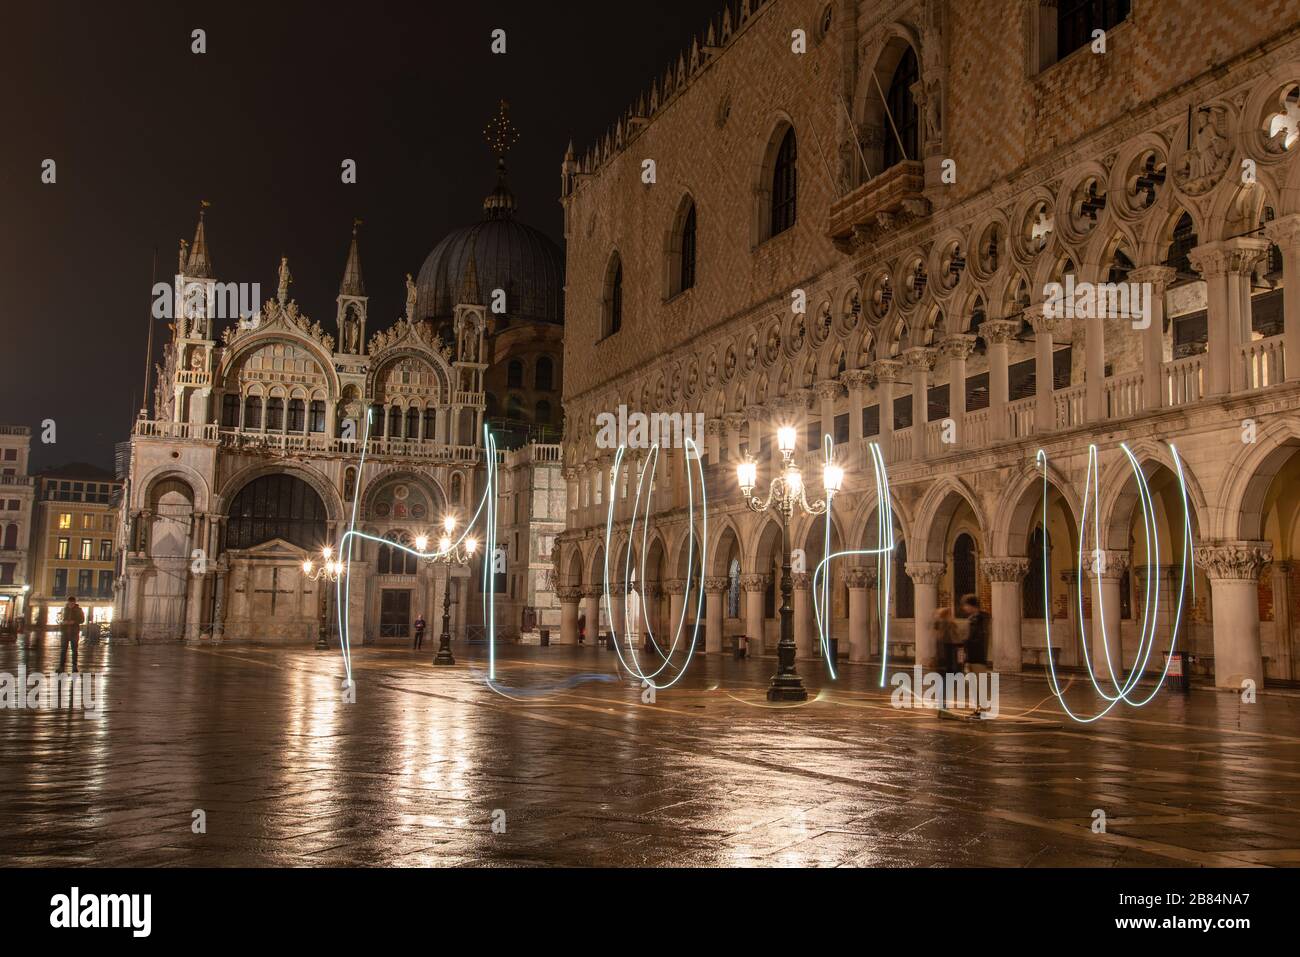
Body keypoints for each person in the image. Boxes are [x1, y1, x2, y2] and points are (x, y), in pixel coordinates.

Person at [960, 594, 989, 668]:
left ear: (972, 606)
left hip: (977, 659)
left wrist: (964, 641)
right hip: (971, 658)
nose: (964, 608)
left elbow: (977, 638)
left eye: (966, 605)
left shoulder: (981, 619)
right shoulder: (971, 619)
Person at [58, 596, 85, 673]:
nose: (71, 604)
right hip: (64, 632)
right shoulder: (63, 609)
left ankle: (74, 666)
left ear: (75, 603)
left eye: (72, 603)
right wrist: (62, 622)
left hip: (74, 632)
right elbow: (59, 618)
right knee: (63, 650)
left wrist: (74, 621)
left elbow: (82, 620)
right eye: (70, 603)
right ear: (68, 602)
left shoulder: (79, 610)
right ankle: (61, 666)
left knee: (74, 650)